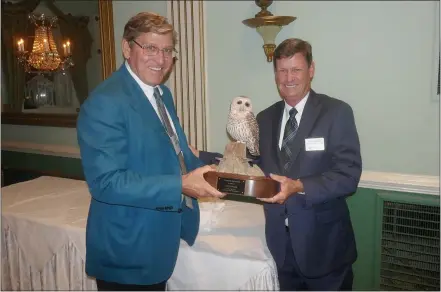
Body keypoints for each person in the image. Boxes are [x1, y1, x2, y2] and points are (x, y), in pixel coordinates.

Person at [195, 38, 362, 290]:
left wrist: (298, 186)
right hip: (279, 249)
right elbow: (248, 163)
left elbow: (348, 176)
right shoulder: (266, 117)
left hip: (325, 250)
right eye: (282, 71)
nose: (288, 78)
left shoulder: (336, 112)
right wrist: (200, 155)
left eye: (296, 69)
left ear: (311, 70)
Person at [76, 12, 224, 291]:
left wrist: (225, 168)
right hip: (128, 252)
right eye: (151, 48)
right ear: (126, 48)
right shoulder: (105, 102)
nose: (161, 59)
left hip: (158, 241)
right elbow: (106, 184)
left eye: (168, 50)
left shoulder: (161, 93)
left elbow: (177, 152)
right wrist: (181, 185)